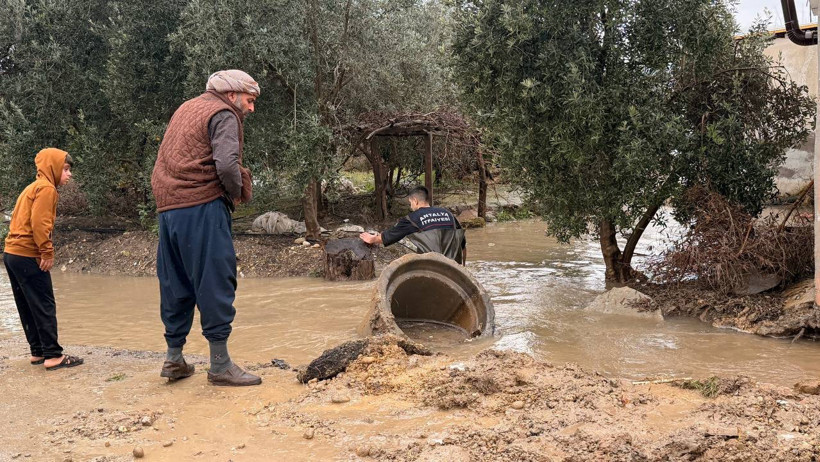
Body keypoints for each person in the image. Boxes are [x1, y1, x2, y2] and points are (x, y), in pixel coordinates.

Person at [150, 69, 259, 386]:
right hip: (201, 205)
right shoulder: (223, 113)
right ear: (232, 95)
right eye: (249, 100)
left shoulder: (187, 107)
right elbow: (226, 163)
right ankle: (221, 364)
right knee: (215, 278)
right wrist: (237, 191)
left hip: (168, 209)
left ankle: (174, 359)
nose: (251, 109)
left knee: (175, 282)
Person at [3, 148, 83, 371]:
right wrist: (46, 252)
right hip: (28, 254)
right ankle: (53, 356)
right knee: (44, 303)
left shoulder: (32, 187)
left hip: (12, 253)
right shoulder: (47, 189)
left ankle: (37, 351)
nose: (68, 174)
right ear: (53, 167)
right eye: (65, 169)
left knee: (27, 304)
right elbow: (40, 224)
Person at [359, 186, 466, 264]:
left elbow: (389, 236)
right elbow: (462, 245)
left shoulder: (413, 218)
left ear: (415, 201)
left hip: (433, 268)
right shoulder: (448, 214)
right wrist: (463, 268)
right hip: (454, 267)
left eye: (410, 203)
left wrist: (372, 239)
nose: (411, 206)